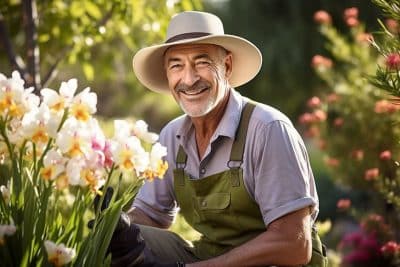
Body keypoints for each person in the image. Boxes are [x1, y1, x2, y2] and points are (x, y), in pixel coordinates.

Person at [109, 10, 327, 267]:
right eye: (177, 65)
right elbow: (151, 215)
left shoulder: (268, 129)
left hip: (274, 262)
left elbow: (294, 245)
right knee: (125, 244)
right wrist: (116, 225)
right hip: (209, 257)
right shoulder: (172, 136)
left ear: (227, 66)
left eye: (202, 62)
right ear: (167, 75)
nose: (189, 79)